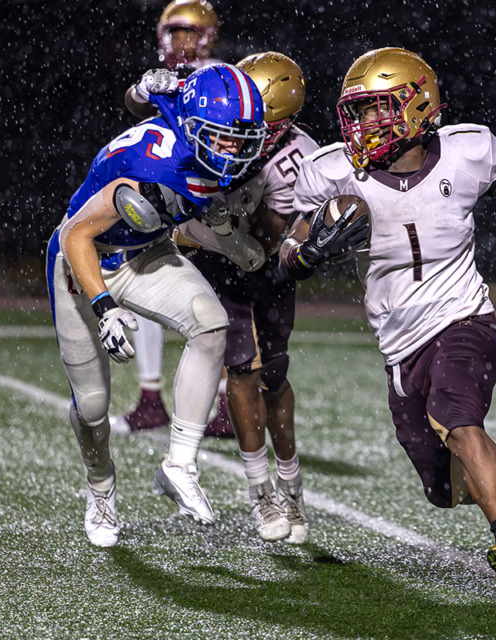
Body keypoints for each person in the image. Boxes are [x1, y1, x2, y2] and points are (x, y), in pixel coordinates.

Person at [285, 47, 496, 595]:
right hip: (398, 344)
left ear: (419, 106)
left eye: (378, 108)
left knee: (455, 417)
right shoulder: (333, 171)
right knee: (441, 490)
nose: (365, 123)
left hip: (464, 320)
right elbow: (289, 249)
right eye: (359, 111)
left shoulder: (467, 150)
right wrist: (305, 255)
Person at [46, 63, 267, 548]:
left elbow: (178, 214)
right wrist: (104, 307)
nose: (233, 150)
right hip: (85, 259)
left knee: (212, 325)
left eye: (241, 138)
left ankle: (180, 464)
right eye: (222, 137)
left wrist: (225, 239)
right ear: (194, 127)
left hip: (146, 249)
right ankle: (101, 488)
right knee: (93, 405)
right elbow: (76, 233)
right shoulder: (152, 163)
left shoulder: (202, 145)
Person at [171, 52, 320, 543]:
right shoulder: (208, 123)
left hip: (263, 263)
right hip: (215, 261)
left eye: (262, 123)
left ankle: (290, 480)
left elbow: (272, 243)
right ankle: (260, 489)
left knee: (275, 375)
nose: (245, 134)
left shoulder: (293, 158)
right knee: (243, 368)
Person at [113, 0, 233, 438]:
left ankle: (224, 402)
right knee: (147, 285)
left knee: (217, 298)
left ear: (207, 36)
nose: (181, 42)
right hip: (169, 193)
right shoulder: (165, 74)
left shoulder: (219, 74)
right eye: (175, 33)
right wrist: (145, 90)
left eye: (189, 33)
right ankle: (150, 398)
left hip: (209, 194)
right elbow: (133, 103)